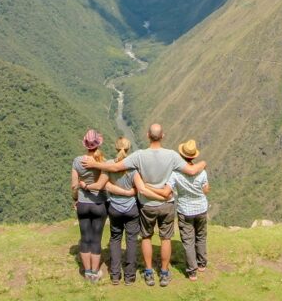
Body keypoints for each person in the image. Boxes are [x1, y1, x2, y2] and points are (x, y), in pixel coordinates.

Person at [83, 123, 206, 287]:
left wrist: (95, 165)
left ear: (148, 135)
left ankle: (148, 273)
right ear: (163, 136)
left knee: (146, 237)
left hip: (147, 204)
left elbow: (115, 166)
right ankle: (164, 273)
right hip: (166, 203)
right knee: (166, 238)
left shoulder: (139, 155)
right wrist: (203, 163)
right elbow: (191, 171)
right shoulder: (172, 155)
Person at [142, 139, 209, 281]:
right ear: (194, 156)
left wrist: (146, 187)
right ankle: (202, 264)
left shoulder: (175, 174)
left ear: (181, 156)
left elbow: (166, 193)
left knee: (188, 241)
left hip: (185, 210)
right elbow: (206, 190)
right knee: (201, 236)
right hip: (201, 208)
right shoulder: (202, 172)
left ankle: (192, 272)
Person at [84, 137, 140, 285]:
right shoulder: (134, 165)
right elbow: (139, 187)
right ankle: (130, 277)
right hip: (131, 208)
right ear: (129, 148)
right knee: (131, 240)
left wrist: (85, 186)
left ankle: (115, 275)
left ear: (115, 147)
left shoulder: (109, 164)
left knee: (115, 239)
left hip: (115, 207)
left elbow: (102, 185)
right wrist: (129, 193)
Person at [71, 129, 108, 282]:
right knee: (96, 240)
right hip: (99, 203)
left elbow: (74, 185)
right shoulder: (103, 162)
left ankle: (87, 272)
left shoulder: (77, 161)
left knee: (85, 238)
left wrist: (76, 199)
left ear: (85, 144)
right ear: (98, 144)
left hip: (83, 204)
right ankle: (95, 271)